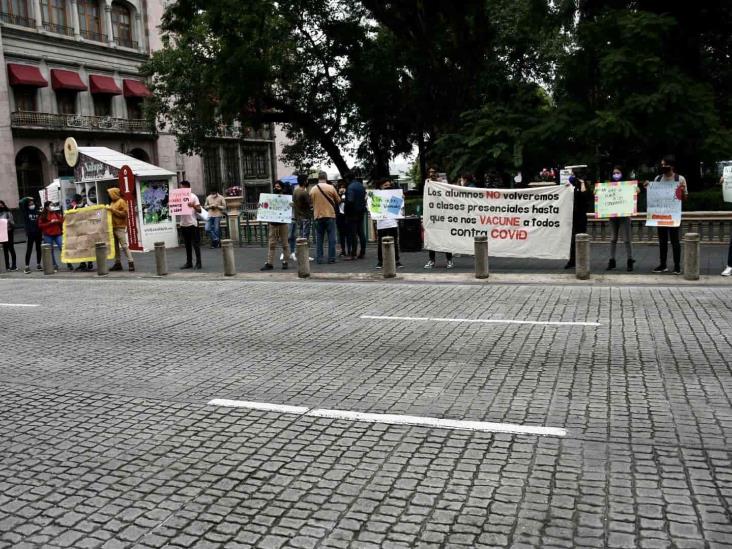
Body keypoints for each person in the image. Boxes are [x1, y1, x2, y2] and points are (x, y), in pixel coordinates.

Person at [644, 156, 687, 274]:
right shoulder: (657, 179)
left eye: (665, 165)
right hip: (660, 216)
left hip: (673, 216)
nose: (662, 167)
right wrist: (648, 187)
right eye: (661, 165)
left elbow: (684, 198)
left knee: (675, 241)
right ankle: (663, 265)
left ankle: (677, 266)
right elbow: (653, 195)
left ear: (671, 166)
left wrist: (682, 191)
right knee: (662, 241)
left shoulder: (680, 179)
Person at [606, 167, 636, 272]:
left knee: (627, 239)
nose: (616, 174)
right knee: (613, 238)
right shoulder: (608, 185)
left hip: (624, 216)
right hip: (613, 216)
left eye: (618, 172)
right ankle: (612, 260)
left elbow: (636, 191)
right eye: (614, 173)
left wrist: (636, 189)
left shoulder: (627, 185)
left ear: (622, 174)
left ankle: (630, 259)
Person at [424, 167, 454, 269]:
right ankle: (431, 261)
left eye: (434, 172)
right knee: (432, 237)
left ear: (437, 173)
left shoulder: (443, 183)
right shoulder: (427, 183)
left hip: (443, 215)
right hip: (432, 215)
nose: (432, 174)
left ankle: (449, 260)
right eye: (430, 172)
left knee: (445, 238)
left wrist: (441, 183)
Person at [309, 171, 340, 264]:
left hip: (318, 216)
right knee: (331, 238)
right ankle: (331, 258)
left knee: (319, 238)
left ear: (318, 178)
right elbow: (338, 200)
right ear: (326, 178)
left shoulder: (313, 189)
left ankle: (319, 258)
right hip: (330, 215)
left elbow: (310, 202)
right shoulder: (331, 188)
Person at [565, 169, 592, 269]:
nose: (571, 176)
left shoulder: (583, 186)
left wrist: (582, 183)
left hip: (581, 217)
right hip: (573, 216)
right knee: (572, 239)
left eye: (573, 174)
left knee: (581, 238)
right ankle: (572, 260)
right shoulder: (573, 186)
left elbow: (585, 195)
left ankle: (581, 260)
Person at [261, 180, 290, 271]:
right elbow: (265, 208)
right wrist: (260, 206)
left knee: (285, 244)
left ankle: (285, 262)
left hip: (282, 224)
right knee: (271, 244)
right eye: (275, 186)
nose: (276, 188)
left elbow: (289, 208)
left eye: (278, 187)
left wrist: (291, 205)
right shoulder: (270, 198)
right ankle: (270, 263)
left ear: (281, 187)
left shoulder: (286, 198)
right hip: (273, 224)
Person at [375, 179, 403, 269]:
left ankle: (396, 260)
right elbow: (374, 210)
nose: (388, 187)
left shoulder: (394, 195)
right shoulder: (376, 196)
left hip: (392, 223)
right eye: (385, 185)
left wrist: (401, 198)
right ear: (381, 186)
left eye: (389, 185)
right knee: (380, 243)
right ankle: (380, 261)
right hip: (381, 223)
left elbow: (397, 209)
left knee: (394, 243)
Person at [106, 188, 135, 272]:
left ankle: (131, 262)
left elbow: (124, 214)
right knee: (115, 247)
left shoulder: (121, 201)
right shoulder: (112, 202)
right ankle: (117, 263)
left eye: (110, 194)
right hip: (112, 226)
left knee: (124, 245)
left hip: (120, 226)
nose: (110, 195)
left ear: (114, 194)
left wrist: (113, 210)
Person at [178, 180, 202, 269]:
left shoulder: (193, 196)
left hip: (192, 223)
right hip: (183, 224)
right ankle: (189, 262)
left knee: (195, 244)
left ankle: (199, 263)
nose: (180, 189)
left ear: (187, 188)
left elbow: (199, 210)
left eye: (182, 187)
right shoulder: (179, 197)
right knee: (187, 245)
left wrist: (193, 206)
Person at [289, 173, 312, 261]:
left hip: (298, 216)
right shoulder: (304, 192)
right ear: (305, 181)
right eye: (307, 180)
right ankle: (304, 255)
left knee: (300, 236)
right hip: (305, 216)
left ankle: (298, 253)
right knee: (305, 236)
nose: (307, 181)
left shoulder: (295, 191)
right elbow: (309, 204)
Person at [68, 194, 94, 272]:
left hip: (85, 230)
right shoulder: (73, 207)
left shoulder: (86, 206)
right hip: (78, 231)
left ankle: (89, 262)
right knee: (80, 247)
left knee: (87, 246)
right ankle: (83, 263)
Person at [345, 175, 367, 260]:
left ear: (348, 179)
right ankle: (362, 252)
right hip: (361, 212)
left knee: (353, 234)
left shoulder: (350, 187)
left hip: (352, 213)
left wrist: (346, 211)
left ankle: (353, 253)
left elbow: (350, 200)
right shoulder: (361, 186)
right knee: (361, 232)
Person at [38, 201, 64, 272]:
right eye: (51, 205)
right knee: (50, 251)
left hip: (57, 233)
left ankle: (68, 262)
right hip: (48, 235)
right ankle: (54, 265)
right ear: (47, 207)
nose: (52, 206)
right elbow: (40, 225)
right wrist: (50, 223)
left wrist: (58, 220)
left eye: (53, 205)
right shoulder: (43, 215)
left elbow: (62, 221)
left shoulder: (56, 213)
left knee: (62, 247)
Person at [19, 196, 42, 273]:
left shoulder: (37, 211)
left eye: (32, 203)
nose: (32, 205)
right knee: (29, 249)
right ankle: (27, 266)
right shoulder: (25, 211)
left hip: (38, 233)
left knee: (39, 249)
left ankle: (38, 264)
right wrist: (26, 198)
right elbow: (20, 202)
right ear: (27, 205)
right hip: (30, 233)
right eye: (30, 204)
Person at [0, 200, 16, 271]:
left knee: (11, 248)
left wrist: (7, 221)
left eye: (1, 205)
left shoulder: (8, 213)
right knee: (5, 250)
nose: (1, 207)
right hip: (2, 233)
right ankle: (7, 265)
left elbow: (13, 223)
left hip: (9, 232)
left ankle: (14, 265)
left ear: (4, 205)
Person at [335, 180, 349, 257]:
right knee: (341, 235)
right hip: (340, 216)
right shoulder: (337, 195)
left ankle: (349, 250)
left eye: (343, 187)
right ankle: (343, 250)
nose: (342, 189)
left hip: (347, 216)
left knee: (348, 234)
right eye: (340, 187)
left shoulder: (348, 194)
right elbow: (336, 203)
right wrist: (340, 195)